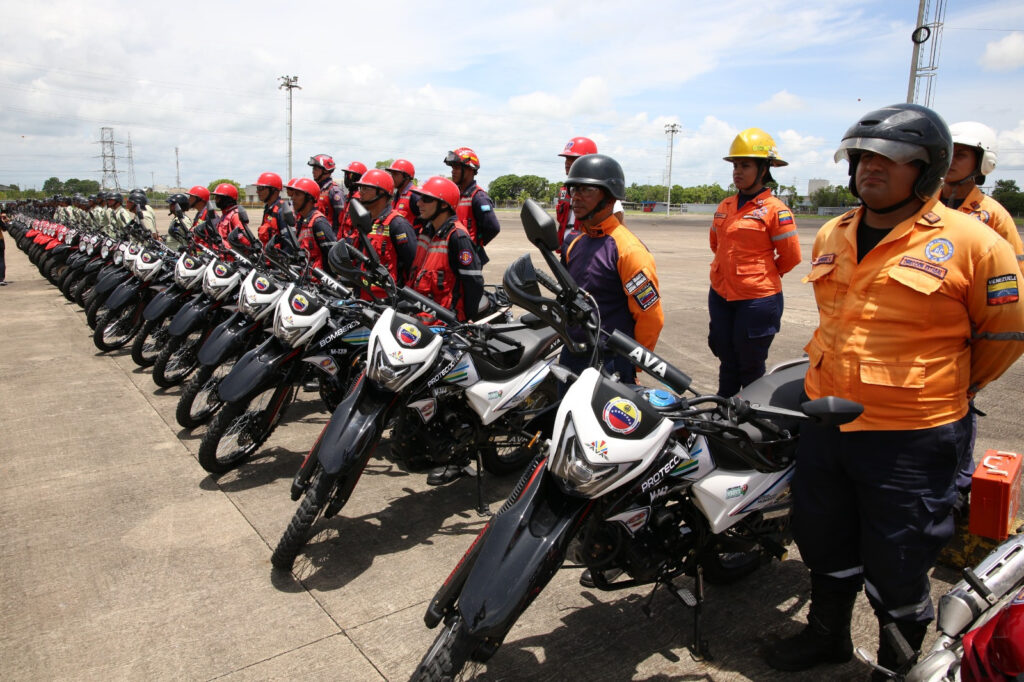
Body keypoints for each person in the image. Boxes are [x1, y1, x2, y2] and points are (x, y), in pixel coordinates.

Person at [764, 103, 1024, 678]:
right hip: (827, 423)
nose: (871, 168)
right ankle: (827, 637)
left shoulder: (975, 243)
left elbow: (1004, 337)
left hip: (912, 436)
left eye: (891, 159)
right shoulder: (833, 232)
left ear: (927, 169)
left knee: (899, 559)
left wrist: (946, 388)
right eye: (863, 158)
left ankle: (894, 668)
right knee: (822, 537)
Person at [708, 128, 801, 397]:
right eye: (735, 165)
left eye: (745, 165)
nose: (737, 171)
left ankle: (750, 415)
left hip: (757, 300)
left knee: (750, 364)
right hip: (721, 295)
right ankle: (724, 407)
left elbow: (791, 256)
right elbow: (716, 245)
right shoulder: (725, 206)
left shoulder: (776, 210)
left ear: (764, 169)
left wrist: (761, 275)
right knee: (726, 358)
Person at [407, 175, 485, 485]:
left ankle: (459, 458)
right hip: (424, 322)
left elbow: (473, 282)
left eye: (426, 199)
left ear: (443, 204)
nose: (419, 203)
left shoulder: (457, 237)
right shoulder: (428, 231)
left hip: (446, 326)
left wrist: (464, 322)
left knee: (448, 396)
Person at [560, 153, 664, 386]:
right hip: (571, 355)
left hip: (609, 362)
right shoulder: (575, 242)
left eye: (586, 190)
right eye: (574, 189)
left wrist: (633, 362)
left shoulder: (629, 250)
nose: (576, 197)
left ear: (609, 197)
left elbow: (650, 317)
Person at [941, 121, 1023, 272]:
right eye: (947, 153)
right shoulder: (921, 203)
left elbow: (1017, 265)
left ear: (982, 162)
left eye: (960, 155)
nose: (950, 160)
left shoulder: (995, 215)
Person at [350, 169, 417, 289]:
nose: (360, 193)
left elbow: (412, 266)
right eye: (360, 188)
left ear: (381, 192)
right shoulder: (366, 222)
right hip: (364, 294)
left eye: (365, 188)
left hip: (386, 297)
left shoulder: (398, 224)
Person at [556, 137, 625, 250]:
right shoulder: (567, 191)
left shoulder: (605, 198)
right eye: (566, 158)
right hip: (568, 252)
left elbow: (620, 233)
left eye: (573, 159)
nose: (567, 163)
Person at [444, 147, 500, 264]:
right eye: (452, 168)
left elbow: (493, 227)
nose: (453, 171)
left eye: (457, 167)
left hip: (469, 260)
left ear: (470, 169)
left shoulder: (479, 197)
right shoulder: (456, 194)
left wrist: (475, 245)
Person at [285, 177, 335, 270]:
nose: (293, 198)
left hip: (317, 278)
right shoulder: (301, 221)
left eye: (297, 194)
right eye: (293, 194)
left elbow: (333, 256)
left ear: (309, 198)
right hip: (304, 276)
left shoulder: (319, 223)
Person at [308, 154, 347, 235]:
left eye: (316, 169)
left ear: (325, 170)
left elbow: (342, 218)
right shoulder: (316, 190)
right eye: (313, 168)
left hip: (330, 236)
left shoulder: (334, 191)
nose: (313, 171)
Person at [210, 183, 248, 251]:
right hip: (221, 254)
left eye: (218, 197)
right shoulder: (225, 215)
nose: (215, 199)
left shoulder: (235, 216)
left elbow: (243, 240)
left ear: (226, 199)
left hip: (230, 256)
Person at [254, 172, 286, 247]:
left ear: (273, 190)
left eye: (261, 188)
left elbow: (288, 241)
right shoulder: (268, 209)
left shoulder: (281, 210)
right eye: (257, 188)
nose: (257, 191)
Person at [385, 158, 419, 224]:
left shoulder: (414, 195)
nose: (392, 177)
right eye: (391, 174)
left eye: (395, 174)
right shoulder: (396, 195)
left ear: (406, 177)